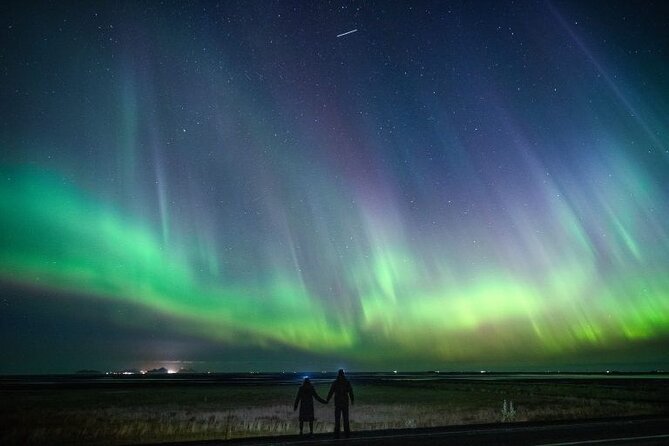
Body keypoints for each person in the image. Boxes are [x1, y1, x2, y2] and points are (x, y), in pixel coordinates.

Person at [326, 369, 354, 438]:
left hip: (338, 402)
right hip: (344, 402)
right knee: (345, 419)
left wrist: (327, 399)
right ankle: (347, 434)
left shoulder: (335, 382)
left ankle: (337, 434)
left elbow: (331, 392)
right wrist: (352, 400)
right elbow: (350, 391)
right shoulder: (347, 382)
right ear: (343, 374)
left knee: (337, 419)